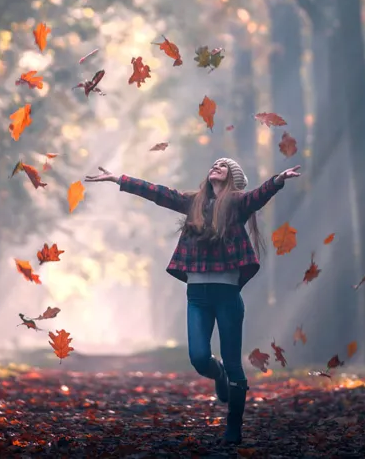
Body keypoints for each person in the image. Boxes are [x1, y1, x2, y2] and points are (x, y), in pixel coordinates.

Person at [85, 157, 302, 445]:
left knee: (235, 363)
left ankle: (233, 428)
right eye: (213, 164)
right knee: (199, 358)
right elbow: (158, 193)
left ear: (231, 178)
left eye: (222, 166)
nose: (215, 166)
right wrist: (120, 180)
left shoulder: (238, 204)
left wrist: (277, 181)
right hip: (197, 296)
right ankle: (218, 374)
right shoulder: (193, 203)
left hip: (227, 295)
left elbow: (258, 196)